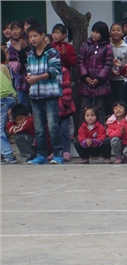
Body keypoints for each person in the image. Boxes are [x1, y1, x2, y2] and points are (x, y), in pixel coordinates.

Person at [24, 24, 64, 165]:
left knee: (53, 127)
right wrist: (29, 78)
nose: (33, 39)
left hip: (50, 95)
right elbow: (28, 70)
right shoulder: (30, 54)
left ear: (43, 36)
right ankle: (41, 155)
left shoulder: (52, 52)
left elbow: (54, 71)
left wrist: (37, 78)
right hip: (35, 95)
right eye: (30, 37)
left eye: (35, 36)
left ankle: (58, 155)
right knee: (39, 128)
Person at [78, 21, 114, 125]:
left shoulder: (107, 47)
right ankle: (82, 133)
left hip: (101, 83)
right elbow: (80, 61)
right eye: (93, 31)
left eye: (97, 32)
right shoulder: (85, 45)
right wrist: (85, 76)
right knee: (84, 108)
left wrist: (99, 79)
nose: (94, 34)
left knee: (99, 109)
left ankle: (100, 133)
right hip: (86, 82)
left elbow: (108, 65)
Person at [51, 23, 77, 162]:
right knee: (52, 122)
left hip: (65, 82)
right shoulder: (49, 47)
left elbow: (73, 62)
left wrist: (65, 55)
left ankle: (66, 150)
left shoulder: (68, 47)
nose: (55, 35)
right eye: (53, 32)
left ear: (64, 35)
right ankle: (55, 150)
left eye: (58, 33)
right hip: (51, 82)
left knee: (65, 119)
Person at [7, 21, 31, 111]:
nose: (14, 32)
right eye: (12, 30)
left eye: (17, 29)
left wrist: (25, 49)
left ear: (22, 30)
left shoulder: (29, 41)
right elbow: (16, 66)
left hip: (33, 78)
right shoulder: (12, 46)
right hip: (20, 79)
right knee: (22, 106)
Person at [109, 22, 127, 104]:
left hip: (121, 79)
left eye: (118, 30)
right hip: (108, 79)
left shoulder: (126, 47)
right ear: (110, 32)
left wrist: (121, 71)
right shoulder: (107, 45)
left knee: (121, 101)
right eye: (113, 30)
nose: (116, 32)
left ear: (122, 32)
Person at [1, 71, 19, 164]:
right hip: (11, 97)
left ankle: (8, 155)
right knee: (3, 128)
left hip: (2, 98)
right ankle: (3, 154)